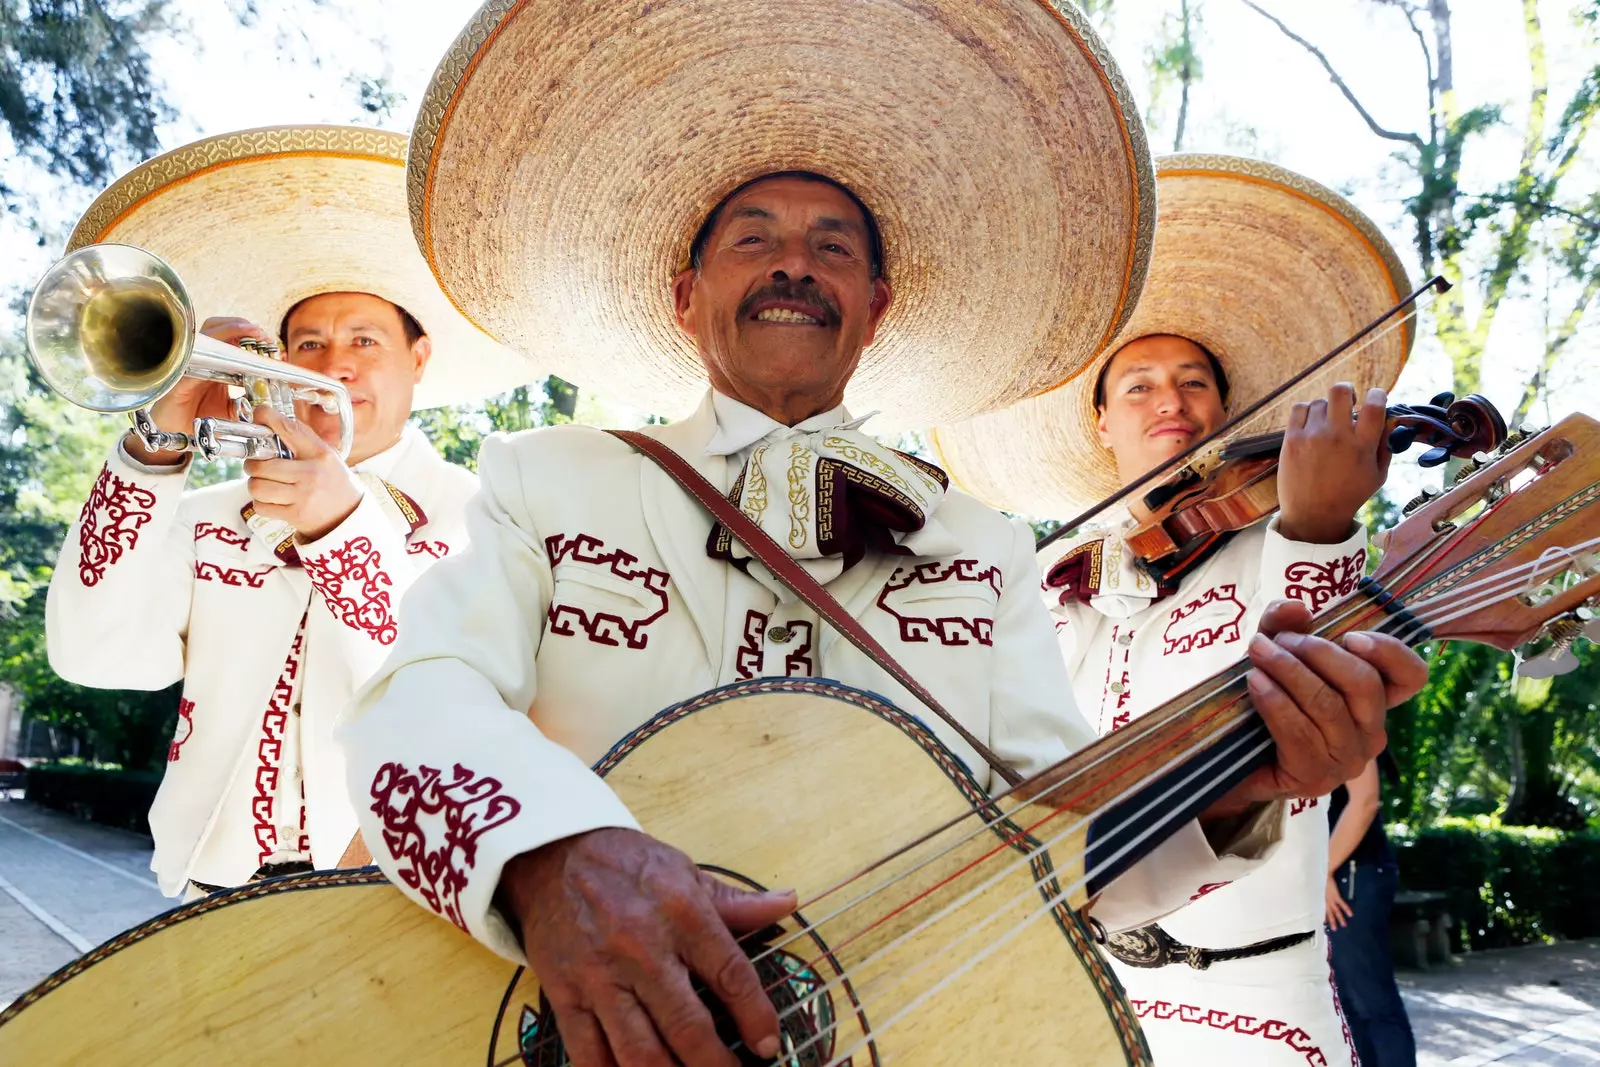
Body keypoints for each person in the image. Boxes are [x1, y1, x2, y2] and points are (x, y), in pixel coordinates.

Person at [340, 5, 1429, 1065]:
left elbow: (1062, 846)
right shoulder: (552, 477)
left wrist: (1238, 788)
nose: (793, 263)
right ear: (687, 294)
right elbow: (414, 697)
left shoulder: (989, 544)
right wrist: (545, 857)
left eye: (830, 246)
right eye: (752, 237)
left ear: (875, 298)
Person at [932, 155, 1416, 1065]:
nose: (1172, 400)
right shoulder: (1043, 575)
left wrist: (1317, 521)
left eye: (1194, 380)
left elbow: (1314, 654)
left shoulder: (1281, 541)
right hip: (1085, 993)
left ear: (1229, 409)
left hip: (1263, 1000)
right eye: (1139, 384)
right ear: (1102, 423)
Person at [43, 125, 535, 898]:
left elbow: (438, 686)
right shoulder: (210, 513)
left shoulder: (482, 510)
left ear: (418, 359)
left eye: (364, 339)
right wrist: (157, 441)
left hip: (394, 897)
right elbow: (92, 653)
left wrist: (340, 522)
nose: (334, 364)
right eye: (306, 343)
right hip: (207, 892)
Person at [1329, 758, 1418, 1066]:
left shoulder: (1354, 715)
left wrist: (1322, 871)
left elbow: (1365, 800)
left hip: (1351, 874)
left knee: (1371, 1003)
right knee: (1348, 1006)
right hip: (1336, 876)